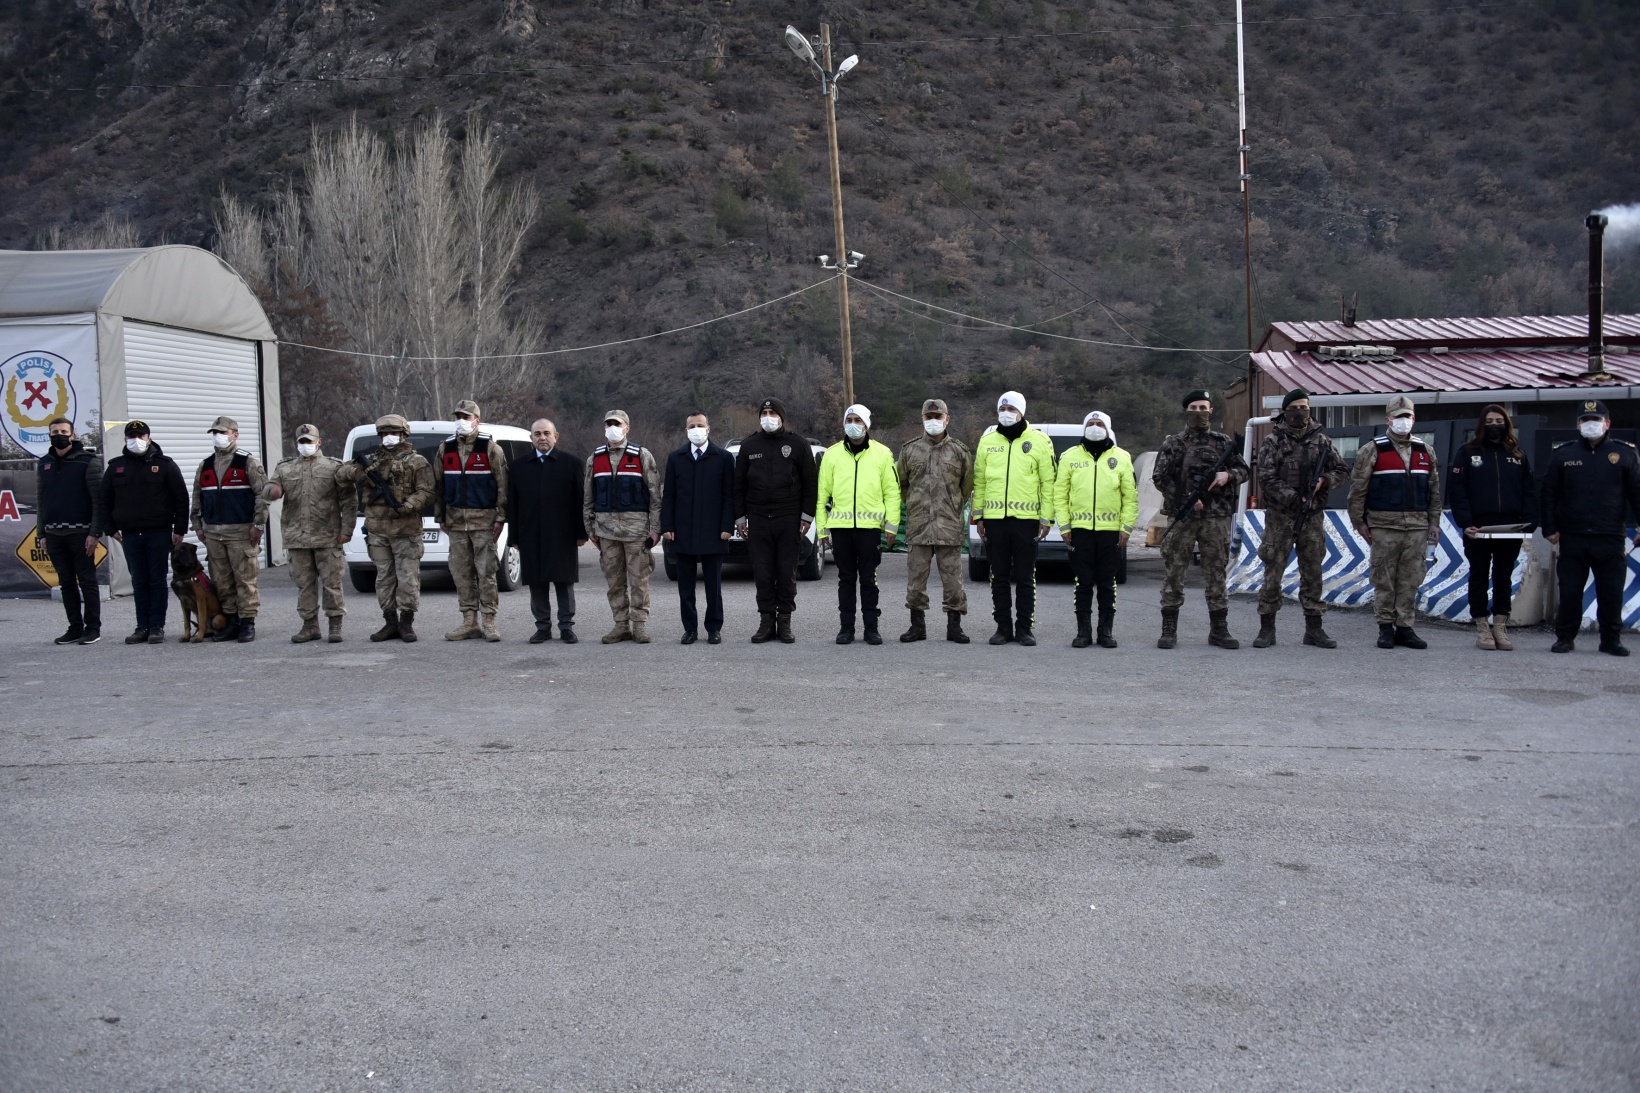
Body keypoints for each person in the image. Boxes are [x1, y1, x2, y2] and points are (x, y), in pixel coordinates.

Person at [1539, 399, 1640, 656]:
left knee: (1611, 593)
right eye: (1585, 420)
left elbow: (1636, 493)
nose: (1591, 424)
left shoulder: (1626, 453)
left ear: (1607, 423)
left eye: (1596, 420)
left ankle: (1611, 640)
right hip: (1573, 536)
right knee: (1570, 591)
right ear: (1578, 424)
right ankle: (1565, 638)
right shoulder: (1563, 454)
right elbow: (1549, 493)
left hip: (1610, 536)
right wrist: (1549, 527)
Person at [1252, 388, 1349, 650]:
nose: (1300, 412)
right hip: (1281, 517)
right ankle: (1267, 628)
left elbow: (1341, 470)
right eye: (1294, 407)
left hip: (1312, 517)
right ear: (1285, 411)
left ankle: (1314, 629)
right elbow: (1266, 478)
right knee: (1273, 570)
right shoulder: (1272, 442)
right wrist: (1294, 498)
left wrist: (1324, 481)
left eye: (1304, 407)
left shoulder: (1322, 441)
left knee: (1313, 571)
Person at [1153, 389, 1249, 649]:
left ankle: (1219, 630)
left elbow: (1244, 470)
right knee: (1175, 572)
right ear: (1187, 411)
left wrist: (1227, 476)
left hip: (1215, 517)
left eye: (1203, 407)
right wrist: (1185, 498)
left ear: (1211, 410)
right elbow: (1160, 477)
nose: (1199, 413)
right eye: (1194, 408)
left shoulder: (1222, 442)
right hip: (1183, 516)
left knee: (1216, 572)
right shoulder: (1174, 443)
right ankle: (1169, 630)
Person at [1347, 395, 1442, 650]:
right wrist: (1359, 523)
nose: (1403, 421)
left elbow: (1434, 492)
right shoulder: (1372, 450)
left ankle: (1406, 628)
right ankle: (1385, 628)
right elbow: (1357, 491)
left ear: (1414, 419)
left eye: (1407, 417)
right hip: (1384, 526)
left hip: (1417, 528)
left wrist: (1434, 523)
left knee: (1410, 579)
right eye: (1398, 417)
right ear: (1388, 419)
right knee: (1384, 579)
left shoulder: (1425, 451)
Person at [1447, 404, 1537, 651]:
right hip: (1478, 527)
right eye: (1489, 420)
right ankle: (1482, 626)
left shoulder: (1516, 453)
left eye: (1499, 420)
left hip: (1510, 527)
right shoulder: (1468, 452)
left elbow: (1529, 490)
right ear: (1482, 424)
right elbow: (1458, 490)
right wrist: (1465, 523)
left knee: (1503, 576)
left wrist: (1531, 521)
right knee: (1479, 575)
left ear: (1506, 423)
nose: (1494, 424)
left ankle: (1500, 625)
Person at [340, 414, 436, 642]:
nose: (388, 437)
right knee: (384, 578)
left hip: (406, 531)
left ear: (404, 435)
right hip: (378, 531)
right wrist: (358, 473)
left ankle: (406, 623)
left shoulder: (417, 462)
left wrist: (407, 506)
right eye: (384, 433)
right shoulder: (371, 460)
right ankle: (390, 622)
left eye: (393, 433)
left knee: (408, 579)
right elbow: (340, 474)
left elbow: (427, 491)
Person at [972, 391, 1056, 646]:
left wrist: (1046, 519)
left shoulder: (1040, 441)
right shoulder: (987, 441)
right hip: (995, 520)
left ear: (1021, 412)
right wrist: (979, 516)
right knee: (998, 577)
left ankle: (1024, 629)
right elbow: (980, 481)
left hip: (1026, 520)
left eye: (1011, 409)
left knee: (1025, 576)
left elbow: (1048, 482)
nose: (1006, 413)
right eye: (1002, 408)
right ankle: (1002, 628)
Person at [94, 421, 188, 644]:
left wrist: (180, 530)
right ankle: (141, 626)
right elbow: (103, 500)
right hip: (130, 535)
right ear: (125, 439)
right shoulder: (116, 467)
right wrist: (110, 529)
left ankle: (157, 626)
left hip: (158, 532)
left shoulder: (165, 465)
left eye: (141, 435)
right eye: (131, 436)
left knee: (156, 580)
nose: (136, 440)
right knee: (139, 581)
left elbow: (181, 498)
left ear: (149, 438)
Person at [734, 396, 818, 644]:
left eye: (773, 414)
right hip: (758, 519)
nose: (768, 418)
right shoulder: (749, 446)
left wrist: (806, 516)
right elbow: (738, 485)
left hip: (789, 518)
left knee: (786, 573)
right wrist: (740, 518)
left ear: (782, 417)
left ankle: (785, 622)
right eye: (764, 414)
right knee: (762, 573)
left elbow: (811, 484)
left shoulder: (797, 444)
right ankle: (766, 621)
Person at [816, 404, 901, 645]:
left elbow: (892, 493)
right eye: (849, 419)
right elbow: (822, 495)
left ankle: (871, 628)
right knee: (845, 579)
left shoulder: (883, 454)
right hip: (841, 530)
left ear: (866, 425)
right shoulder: (832, 454)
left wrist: (891, 526)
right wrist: (822, 529)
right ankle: (846, 628)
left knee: (868, 579)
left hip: (869, 530)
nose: (853, 424)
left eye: (857, 420)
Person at [1054, 410, 1137, 649]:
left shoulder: (1122, 457)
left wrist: (1126, 528)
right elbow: (1060, 494)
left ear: (1108, 428)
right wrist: (1065, 525)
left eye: (1099, 423)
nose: (1094, 427)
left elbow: (1130, 497)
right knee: (1083, 582)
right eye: (1090, 423)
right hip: (1080, 531)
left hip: (1111, 532)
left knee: (1106, 582)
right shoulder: (1069, 456)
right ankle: (1083, 632)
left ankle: (1105, 632)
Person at [264, 423, 354, 644]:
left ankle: (335, 624)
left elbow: (349, 501)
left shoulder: (333, 467)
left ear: (319, 442)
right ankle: (310, 625)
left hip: (328, 536)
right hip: (297, 537)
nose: (306, 445)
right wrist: (272, 491)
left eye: (309, 441)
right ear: (296, 443)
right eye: (302, 442)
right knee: (304, 584)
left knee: (331, 583)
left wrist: (347, 530)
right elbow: (270, 487)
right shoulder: (285, 468)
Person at [896, 398, 973, 644]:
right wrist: (917, 507)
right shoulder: (909, 451)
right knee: (915, 581)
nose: (933, 421)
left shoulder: (959, 451)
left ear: (947, 419)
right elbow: (903, 486)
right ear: (922, 419)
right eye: (929, 417)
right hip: (919, 527)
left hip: (948, 527)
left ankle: (954, 627)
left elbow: (967, 487)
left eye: (938, 417)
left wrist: (950, 509)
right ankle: (917, 626)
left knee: (953, 582)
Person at [583, 409, 662, 644]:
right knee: (614, 582)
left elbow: (655, 497)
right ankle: (620, 625)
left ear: (627, 427)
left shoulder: (641, 455)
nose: (612, 427)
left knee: (639, 580)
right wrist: (589, 526)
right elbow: (588, 497)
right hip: (606, 532)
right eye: (608, 423)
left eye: (617, 423)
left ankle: (639, 625)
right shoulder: (594, 459)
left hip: (636, 532)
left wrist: (655, 528)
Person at [508, 418, 587, 644]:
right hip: (530, 534)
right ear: (531, 438)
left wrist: (581, 533)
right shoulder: (518, 466)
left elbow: (580, 500)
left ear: (556, 436)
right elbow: (512, 504)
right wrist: (514, 537)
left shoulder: (572, 464)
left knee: (564, 581)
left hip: (562, 534)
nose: (542, 437)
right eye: (537, 434)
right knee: (537, 582)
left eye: (546, 433)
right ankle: (542, 626)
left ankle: (566, 626)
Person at [436, 400, 509, 643]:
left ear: (477, 420)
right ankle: (469, 621)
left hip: (483, 523)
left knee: (486, 572)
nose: (461, 421)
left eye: (466, 417)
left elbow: (502, 485)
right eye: (458, 416)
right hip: (455, 523)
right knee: (461, 573)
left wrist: (500, 517)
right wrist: (440, 517)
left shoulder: (490, 448)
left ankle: (489, 621)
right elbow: (438, 485)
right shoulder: (444, 449)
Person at [190, 416, 268, 643]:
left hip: (241, 532)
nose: (218, 437)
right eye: (215, 433)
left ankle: (247, 623)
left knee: (245, 579)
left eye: (223, 433)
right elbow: (197, 497)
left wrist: (258, 525)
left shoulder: (247, 462)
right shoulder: (205, 465)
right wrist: (197, 526)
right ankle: (231, 621)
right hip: (213, 533)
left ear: (235, 434)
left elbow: (262, 497)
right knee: (221, 581)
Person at [661, 412, 735, 644]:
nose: (696, 429)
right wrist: (667, 525)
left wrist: (727, 526)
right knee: (686, 587)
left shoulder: (723, 458)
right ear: (686, 431)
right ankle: (690, 629)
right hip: (683, 531)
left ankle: (714, 628)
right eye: (692, 426)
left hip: (714, 531)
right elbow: (669, 495)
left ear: (708, 428)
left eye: (700, 425)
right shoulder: (676, 458)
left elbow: (729, 496)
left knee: (713, 586)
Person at [38, 417, 106, 645]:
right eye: (54, 431)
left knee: (87, 581)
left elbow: (99, 501)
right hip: (54, 534)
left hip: (81, 534)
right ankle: (74, 628)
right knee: (66, 582)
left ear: (73, 435)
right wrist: (41, 533)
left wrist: (95, 533)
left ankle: (93, 628)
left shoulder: (88, 462)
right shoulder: (44, 463)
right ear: (49, 435)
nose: (59, 435)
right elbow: (41, 500)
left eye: (63, 431)